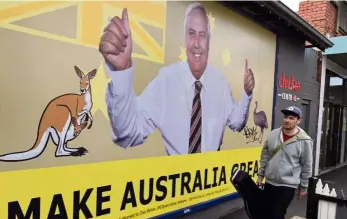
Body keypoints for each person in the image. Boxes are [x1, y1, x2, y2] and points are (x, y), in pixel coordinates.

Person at [98, 2, 255, 155]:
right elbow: (127, 134)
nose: (197, 44)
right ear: (185, 37)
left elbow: (237, 123)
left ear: (209, 41)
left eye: (203, 35)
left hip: (212, 179)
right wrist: (121, 73)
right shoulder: (166, 81)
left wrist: (247, 94)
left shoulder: (219, 83)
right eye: (191, 33)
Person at [257, 106, 313, 219]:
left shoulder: (304, 140)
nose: (287, 120)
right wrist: (260, 175)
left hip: (288, 184)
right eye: (286, 117)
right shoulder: (274, 134)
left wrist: (304, 186)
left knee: (276, 215)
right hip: (271, 181)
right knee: (271, 214)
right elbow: (265, 155)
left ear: (298, 120)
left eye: (291, 118)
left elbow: (307, 164)